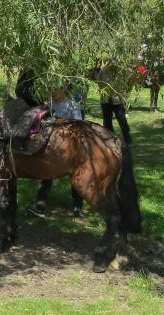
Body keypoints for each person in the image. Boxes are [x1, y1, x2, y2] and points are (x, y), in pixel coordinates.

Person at [27, 84, 85, 218]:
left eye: (55, 88)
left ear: (64, 89)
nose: (52, 91)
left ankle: (77, 207)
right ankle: (40, 206)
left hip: (69, 148)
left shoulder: (73, 106)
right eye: (51, 88)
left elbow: (78, 127)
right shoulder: (48, 105)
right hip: (52, 148)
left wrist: (59, 122)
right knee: (46, 172)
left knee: (75, 173)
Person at [95, 62, 132, 144]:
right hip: (105, 100)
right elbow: (98, 82)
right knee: (107, 121)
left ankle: (127, 139)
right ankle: (109, 140)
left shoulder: (121, 71)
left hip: (118, 100)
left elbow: (129, 75)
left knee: (122, 120)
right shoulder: (102, 71)